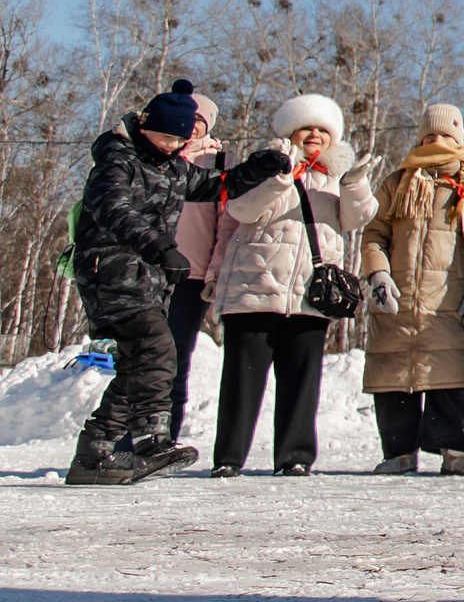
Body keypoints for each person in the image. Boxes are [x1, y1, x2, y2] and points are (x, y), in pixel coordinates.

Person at [63, 80, 284, 485]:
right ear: (146, 126)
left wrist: (259, 167)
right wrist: (160, 247)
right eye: (167, 139)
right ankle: (151, 440)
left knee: (135, 363)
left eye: (179, 142)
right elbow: (114, 209)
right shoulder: (117, 161)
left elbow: (216, 186)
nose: (173, 147)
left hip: (144, 277)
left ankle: (93, 454)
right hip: (109, 272)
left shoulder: (172, 165)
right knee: (157, 348)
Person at [209, 93, 379, 478]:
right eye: (307, 128)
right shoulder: (262, 166)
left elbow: (358, 217)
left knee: (302, 380)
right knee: (241, 378)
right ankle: (228, 458)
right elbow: (240, 208)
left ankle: (295, 456)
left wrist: (354, 183)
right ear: (290, 133)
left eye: (323, 130)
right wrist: (279, 178)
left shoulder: (335, 177)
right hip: (252, 290)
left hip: (309, 294)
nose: (315, 135)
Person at [360, 103, 464, 476]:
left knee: (446, 378)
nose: (436, 140)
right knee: (392, 378)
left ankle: (456, 453)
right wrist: (378, 275)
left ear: (457, 138)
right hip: (398, 298)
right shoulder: (397, 182)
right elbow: (374, 234)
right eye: (429, 135)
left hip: (446, 300)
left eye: (444, 135)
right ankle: (399, 453)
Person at [165, 87, 227, 443]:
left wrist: (215, 271)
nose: (191, 126)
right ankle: (125, 436)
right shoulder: (151, 156)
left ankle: (164, 437)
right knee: (137, 355)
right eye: (186, 118)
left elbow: (226, 224)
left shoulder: (217, 164)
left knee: (174, 356)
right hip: (145, 272)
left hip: (190, 274)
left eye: (199, 121)